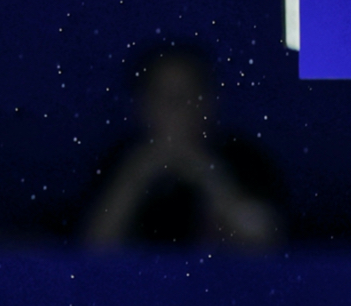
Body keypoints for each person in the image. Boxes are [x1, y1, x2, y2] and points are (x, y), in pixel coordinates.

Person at [83, 44, 284, 249]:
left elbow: (266, 241)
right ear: (142, 106)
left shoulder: (241, 157)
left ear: (209, 102)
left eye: (186, 97)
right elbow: (91, 248)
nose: (175, 108)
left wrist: (210, 177)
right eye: (163, 97)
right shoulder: (119, 159)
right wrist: (135, 177)